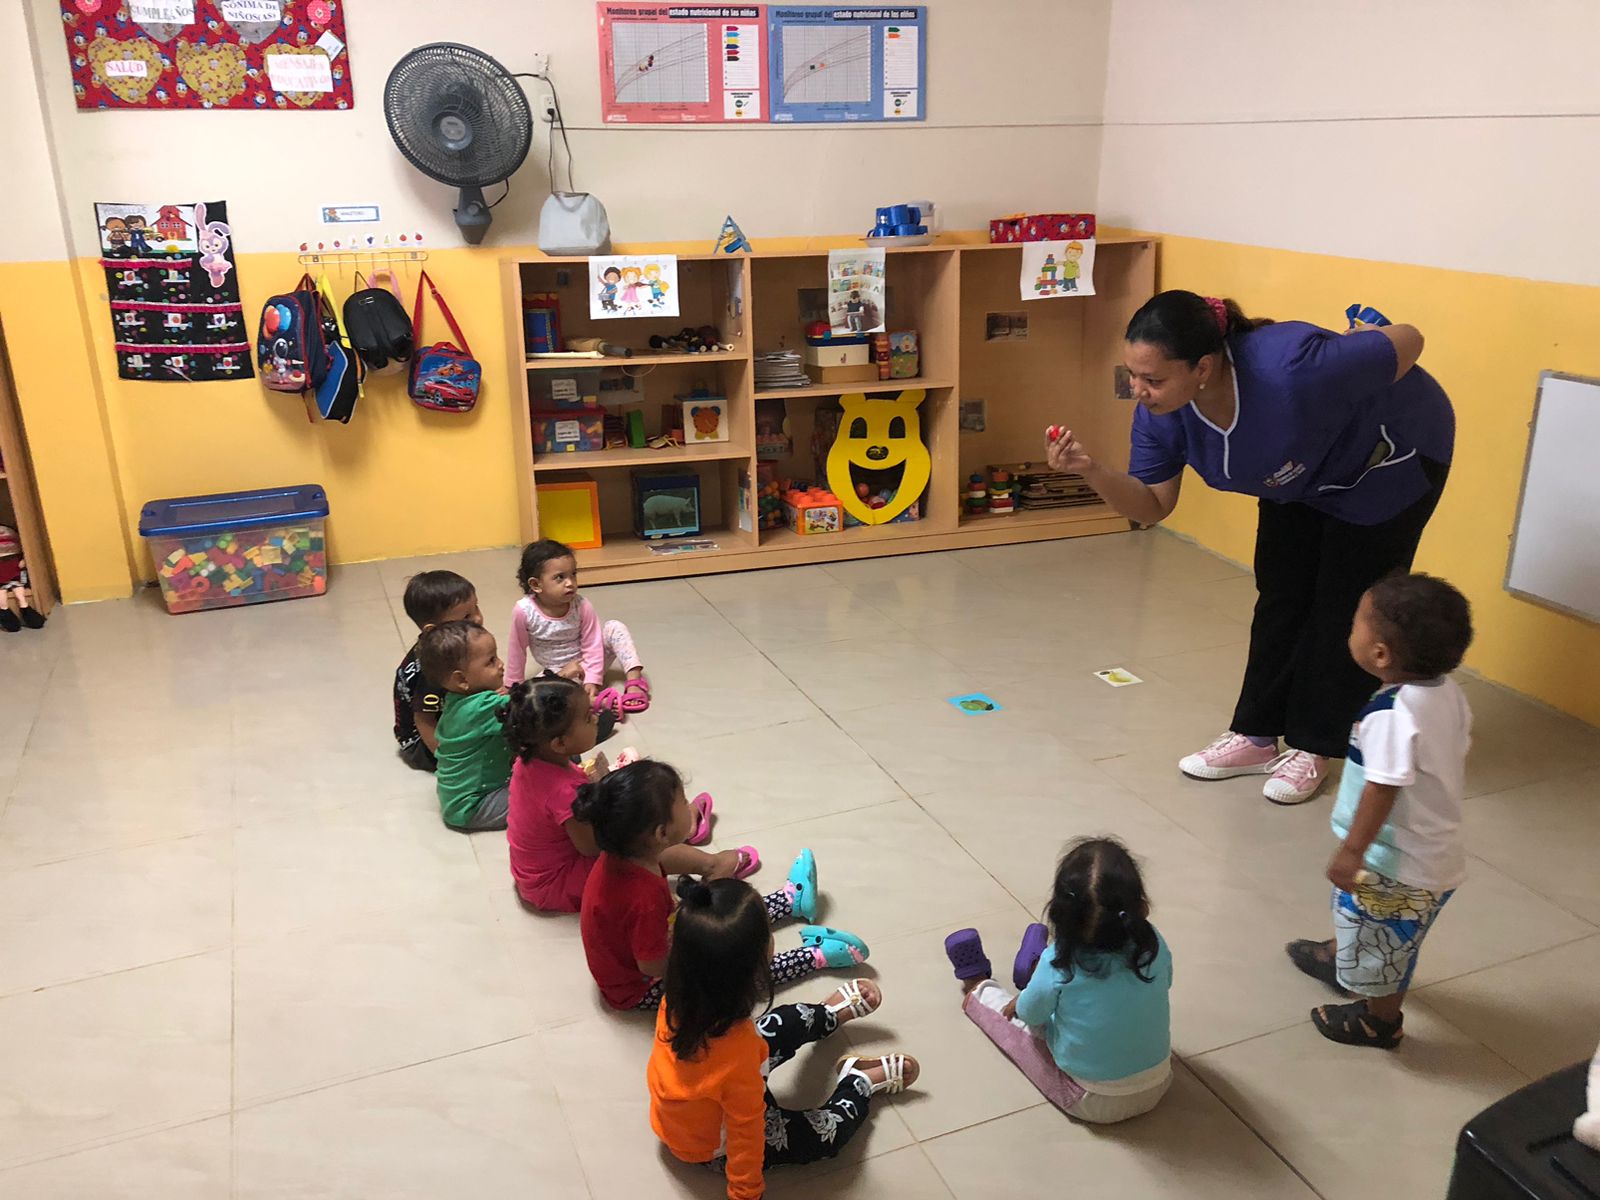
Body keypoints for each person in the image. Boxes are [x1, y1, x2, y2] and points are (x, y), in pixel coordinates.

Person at [1046, 290, 1454, 804]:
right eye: (1133, 375)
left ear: (1203, 367)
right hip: (1299, 474)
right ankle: (1256, 734)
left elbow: (1410, 338)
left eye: (1153, 379)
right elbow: (1151, 506)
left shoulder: (1291, 367)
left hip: (1390, 459)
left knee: (1345, 607)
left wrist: (1368, 341)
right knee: (1282, 595)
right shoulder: (1162, 413)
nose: (1139, 390)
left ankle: (1315, 744)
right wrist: (1090, 470)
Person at [1287, 572, 1474, 1049]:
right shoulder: (1445, 692)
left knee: (1387, 947)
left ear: (1380, 654)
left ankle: (1380, 1020)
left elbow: (1383, 789)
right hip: (1428, 852)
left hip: (1395, 863)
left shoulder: (1391, 715)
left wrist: (1353, 851)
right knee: (1370, 923)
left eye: (1357, 622)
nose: (1350, 629)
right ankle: (1343, 952)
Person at [648, 877, 918, 1200]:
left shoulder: (676, 1001)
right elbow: (745, 1133)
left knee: (783, 1022)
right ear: (752, 972)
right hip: (713, 1147)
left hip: (703, 1102)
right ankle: (858, 1082)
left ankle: (827, 1015)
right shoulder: (737, 1059)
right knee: (827, 1134)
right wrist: (746, 1193)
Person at [575, 760, 870, 1012]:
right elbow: (652, 966)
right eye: (683, 803)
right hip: (639, 988)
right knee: (732, 975)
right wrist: (704, 951)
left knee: (727, 913)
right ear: (661, 833)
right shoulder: (643, 899)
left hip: (653, 941)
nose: (689, 806)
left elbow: (666, 865)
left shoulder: (627, 852)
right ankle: (813, 957)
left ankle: (789, 901)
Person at [944, 837, 1173, 1123]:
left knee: (1013, 1024)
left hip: (1090, 1098)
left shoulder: (1059, 961)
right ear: (1142, 908)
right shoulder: (1154, 944)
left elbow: (1031, 1015)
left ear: (1059, 915)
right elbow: (1165, 983)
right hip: (1159, 1082)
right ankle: (1036, 977)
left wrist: (1024, 1000)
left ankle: (978, 986)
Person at [501, 675, 750, 912]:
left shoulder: (528, 761)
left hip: (534, 873)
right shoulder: (563, 792)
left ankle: (681, 826)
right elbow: (591, 846)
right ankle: (710, 864)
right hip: (557, 883)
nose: (596, 718)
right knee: (641, 844)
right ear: (559, 743)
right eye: (587, 717)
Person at [505, 539, 650, 720]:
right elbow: (517, 649)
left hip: (588, 662)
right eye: (560, 577)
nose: (570, 583)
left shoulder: (581, 605)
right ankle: (594, 703)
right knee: (538, 695)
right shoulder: (524, 611)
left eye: (573, 574)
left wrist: (592, 679)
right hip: (557, 672)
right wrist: (513, 685)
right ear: (536, 585)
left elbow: (593, 644)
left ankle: (634, 681)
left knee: (615, 627)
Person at [417, 620, 513, 832]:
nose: (501, 664)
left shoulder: (457, 700)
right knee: (546, 795)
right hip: (476, 805)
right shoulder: (480, 708)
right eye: (491, 661)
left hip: (458, 799)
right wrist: (560, 679)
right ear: (461, 680)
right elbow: (532, 706)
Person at [393, 570, 480, 773]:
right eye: (466, 617)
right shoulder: (433, 669)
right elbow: (424, 720)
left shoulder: (445, 646)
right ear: (432, 630)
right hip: (420, 742)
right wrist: (447, 761)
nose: (477, 618)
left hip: (444, 716)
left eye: (476, 607)